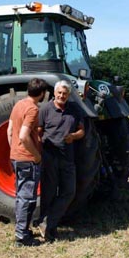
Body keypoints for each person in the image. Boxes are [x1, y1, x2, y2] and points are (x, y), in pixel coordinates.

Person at [37, 80, 85, 241]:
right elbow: (38, 131)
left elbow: (81, 131)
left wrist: (73, 136)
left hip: (67, 157)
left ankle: (47, 223)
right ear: (55, 93)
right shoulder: (45, 109)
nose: (62, 96)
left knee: (69, 191)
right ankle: (48, 227)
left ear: (68, 95)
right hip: (50, 156)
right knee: (48, 193)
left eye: (65, 93)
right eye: (59, 93)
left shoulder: (75, 110)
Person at [8, 78, 48, 247]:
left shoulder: (19, 104)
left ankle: (22, 230)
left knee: (21, 196)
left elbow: (10, 131)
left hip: (16, 157)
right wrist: (36, 156)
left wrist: (14, 150)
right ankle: (22, 236)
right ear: (42, 93)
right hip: (27, 159)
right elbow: (24, 135)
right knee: (27, 198)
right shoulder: (32, 109)